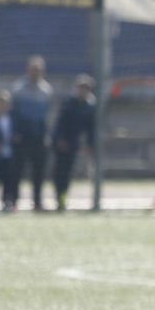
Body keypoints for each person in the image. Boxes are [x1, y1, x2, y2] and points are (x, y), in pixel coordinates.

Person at [11, 55, 54, 211]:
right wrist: (15, 132)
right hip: (22, 137)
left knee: (39, 172)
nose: (36, 72)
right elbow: (14, 114)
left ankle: (37, 202)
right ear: (28, 70)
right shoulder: (19, 89)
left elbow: (47, 116)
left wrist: (47, 135)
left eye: (39, 69)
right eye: (33, 69)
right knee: (17, 170)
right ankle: (13, 201)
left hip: (39, 137)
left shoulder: (46, 90)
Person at [51, 74, 97, 211]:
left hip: (73, 144)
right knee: (59, 172)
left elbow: (90, 128)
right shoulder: (68, 103)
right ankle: (59, 197)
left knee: (67, 173)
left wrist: (90, 144)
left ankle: (62, 199)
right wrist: (60, 140)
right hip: (61, 143)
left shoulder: (89, 106)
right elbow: (60, 123)